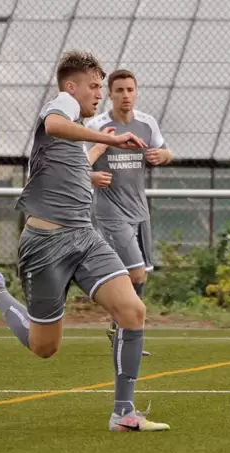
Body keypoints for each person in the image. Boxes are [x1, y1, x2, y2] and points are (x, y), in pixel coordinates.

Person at [0, 51, 170, 433]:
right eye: (94, 86)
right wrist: (106, 138)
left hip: (84, 237)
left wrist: (96, 154)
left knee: (132, 310)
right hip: (45, 245)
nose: (98, 94)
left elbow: (69, 162)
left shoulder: (79, 131)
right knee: (45, 347)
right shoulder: (61, 106)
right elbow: (55, 125)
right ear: (71, 86)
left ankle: (123, 414)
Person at [85, 68, 173, 357]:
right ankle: (127, 332)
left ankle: (122, 328)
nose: (125, 95)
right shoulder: (97, 126)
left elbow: (165, 151)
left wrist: (165, 156)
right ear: (110, 94)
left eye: (130, 90)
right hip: (110, 211)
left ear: (136, 92)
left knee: (140, 275)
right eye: (119, 90)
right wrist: (91, 176)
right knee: (135, 273)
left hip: (139, 210)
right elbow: (75, 164)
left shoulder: (147, 123)